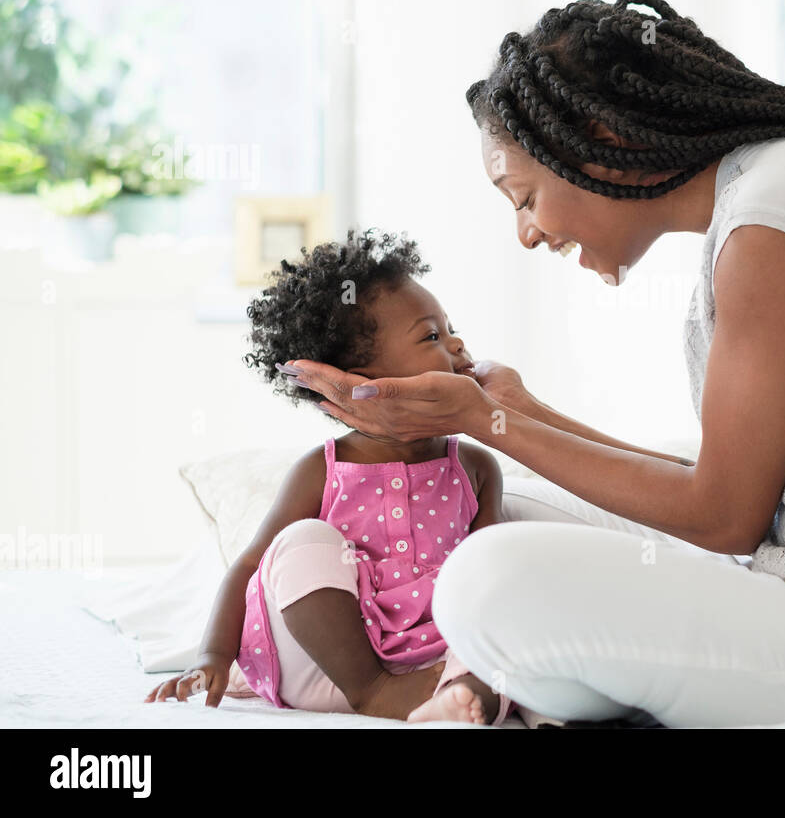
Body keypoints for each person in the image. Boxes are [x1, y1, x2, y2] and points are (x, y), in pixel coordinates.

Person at [286, 0, 785, 727]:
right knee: (522, 510)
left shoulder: (773, 221)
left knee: (482, 582)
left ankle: (541, 694)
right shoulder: (772, 194)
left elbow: (727, 518)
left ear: (604, 144)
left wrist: (486, 420)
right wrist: (524, 414)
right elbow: (723, 490)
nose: (526, 233)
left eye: (524, 198)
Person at [145, 230, 521, 725]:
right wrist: (212, 656)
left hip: (434, 663)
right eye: (432, 336)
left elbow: (491, 575)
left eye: (450, 328)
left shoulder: (474, 465)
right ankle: (375, 691)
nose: (456, 342)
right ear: (360, 379)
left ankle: (462, 705)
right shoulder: (320, 470)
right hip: (325, 668)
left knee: (508, 613)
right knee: (302, 541)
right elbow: (249, 567)